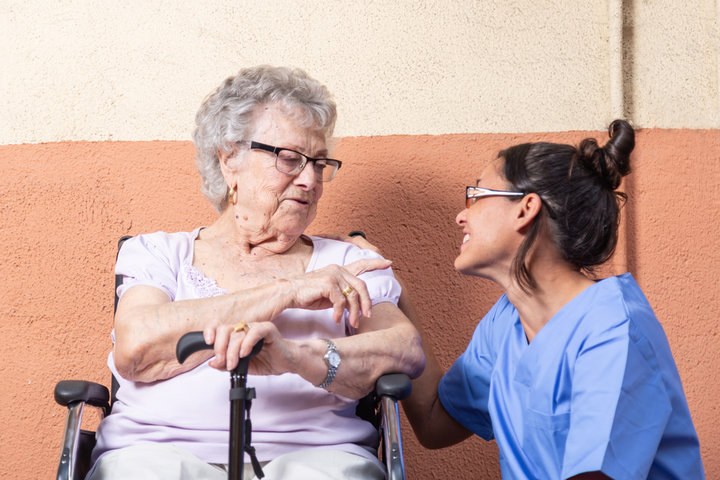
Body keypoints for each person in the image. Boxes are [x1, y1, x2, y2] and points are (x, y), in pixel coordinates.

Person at [86, 65, 425, 480]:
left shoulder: (345, 261)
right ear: (229, 160)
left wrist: (294, 357)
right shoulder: (158, 252)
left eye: (319, 163)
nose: (310, 180)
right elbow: (136, 346)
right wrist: (286, 292)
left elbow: (404, 348)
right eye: (290, 158)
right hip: (155, 453)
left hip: (317, 457)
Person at [351, 120, 704, 479]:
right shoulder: (506, 322)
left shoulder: (614, 333)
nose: (461, 215)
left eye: (475, 195)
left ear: (525, 208)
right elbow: (433, 419)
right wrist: (390, 287)